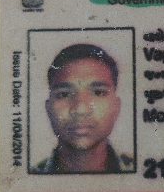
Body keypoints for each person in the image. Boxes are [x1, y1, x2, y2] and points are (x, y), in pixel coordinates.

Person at [33, 44, 133, 174]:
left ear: (116, 106)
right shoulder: (26, 180)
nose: (81, 109)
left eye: (98, 92)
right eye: (64, 94)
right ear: (48, 109)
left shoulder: (144, 175)